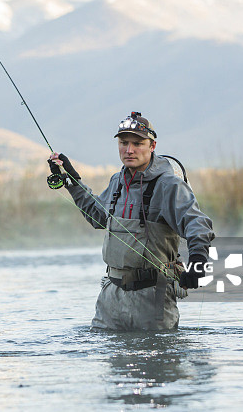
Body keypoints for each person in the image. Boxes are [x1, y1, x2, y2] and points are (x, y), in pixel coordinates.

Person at [47, 112, 215, 331]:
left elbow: (198, 225)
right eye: (123, 143)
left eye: (137, 143)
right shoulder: (117, 181)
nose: (129, 150)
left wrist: (199, 264)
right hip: (110, 297)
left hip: (152, 298)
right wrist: (72, 181)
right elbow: (98, 218)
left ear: (152, 145)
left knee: (159, 363)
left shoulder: (169, 185)